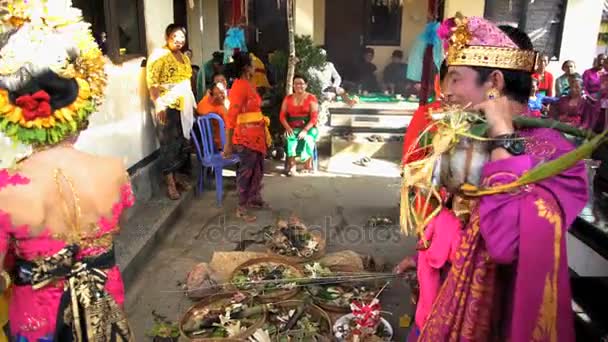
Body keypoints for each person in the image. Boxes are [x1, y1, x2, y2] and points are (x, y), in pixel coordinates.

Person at [417, 15, 587, 341]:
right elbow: (450, 209)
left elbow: (504, 245)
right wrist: (423, 256)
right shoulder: (468, 133)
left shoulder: (556, 155)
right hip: (448, 291)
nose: (446, 92)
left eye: (455, 79)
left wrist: (502, 134)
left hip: (498, 315)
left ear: (493, 83)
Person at [0, 2, 134, 340]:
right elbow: (118, 225)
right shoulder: (114, 171)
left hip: (38, 321)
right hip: (102, 309)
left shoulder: (6, 187)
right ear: (81, 109)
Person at [146, 24, 196, 200]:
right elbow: (152, 81)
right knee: (168, 144)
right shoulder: (158, 56)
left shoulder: (184, 58)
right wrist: (158, 103)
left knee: (181, 143)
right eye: (175, 36)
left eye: (181, 36)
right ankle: (170, 183)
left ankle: (178, 176)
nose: (179, 40)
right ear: (167, 37)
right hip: (167, 105)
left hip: (184, 106)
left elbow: (188, 81)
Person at [223, 52, 272, 222]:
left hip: (257, 135)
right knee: (246, 172)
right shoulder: (239, 86)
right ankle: (241, 207)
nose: (255, 67)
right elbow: (231, 116)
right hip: (245, 137)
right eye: (252, 64)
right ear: (246, 68)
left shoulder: (249, 84)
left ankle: (254, 199)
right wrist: (228, 144)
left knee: (258, 169)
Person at [279, 75, 320, 176]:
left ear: (306, 85)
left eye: (301, 83)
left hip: (309, 128)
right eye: (296, 83)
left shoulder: (311, 98)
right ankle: (292, 166)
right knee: (290, 139)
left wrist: (305, 130)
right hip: (292, 127)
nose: (298, 86)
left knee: (308, 139)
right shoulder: (288, 99)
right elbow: (282, 116)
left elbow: (314, 118)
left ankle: (307, 165)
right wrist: (288, 128)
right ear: (293, 85)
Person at [196, 82, 229, 150]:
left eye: (223, 93)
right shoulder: (221, 109)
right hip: (222, 146)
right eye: (219, 93)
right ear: (211, 94)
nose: (222, 95)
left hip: (207, 147)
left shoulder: (203, 103)